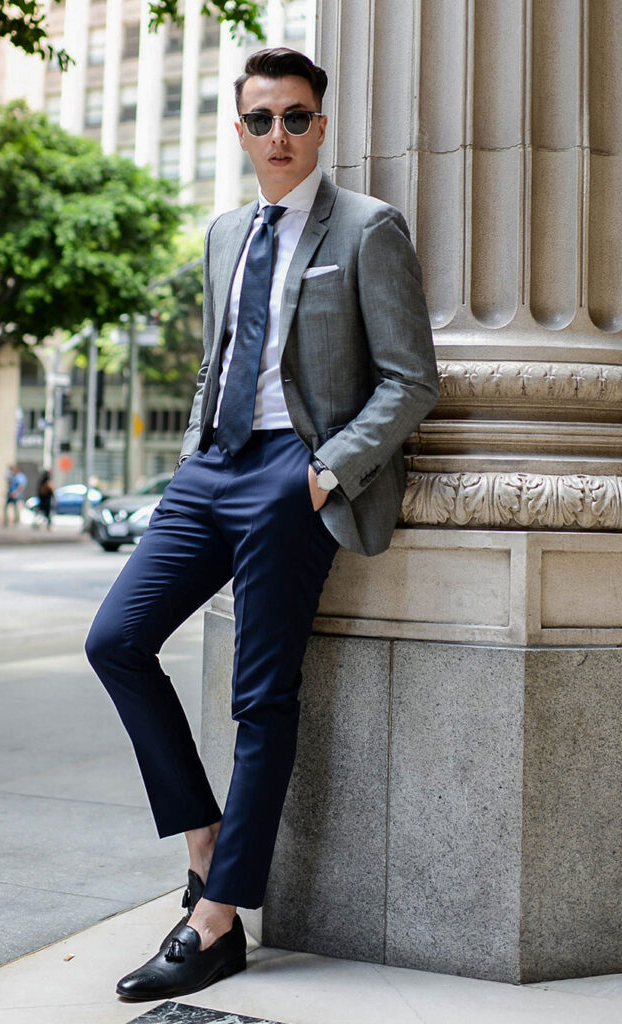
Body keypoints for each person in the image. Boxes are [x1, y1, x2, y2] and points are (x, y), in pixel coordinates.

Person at [85, 47, 439, 1002]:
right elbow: (220, 355)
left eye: (293, 118)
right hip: (211, 468)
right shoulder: (222, 231)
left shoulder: (369, 230)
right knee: (115, 640)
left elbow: (412, 380)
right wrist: (192, 457)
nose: (276, 135)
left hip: (296, 475)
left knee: (260, 698)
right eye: (259, 119)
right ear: (239, 129)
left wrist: (325, 473)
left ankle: (215, 921)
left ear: (320, 128)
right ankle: (205, 846)